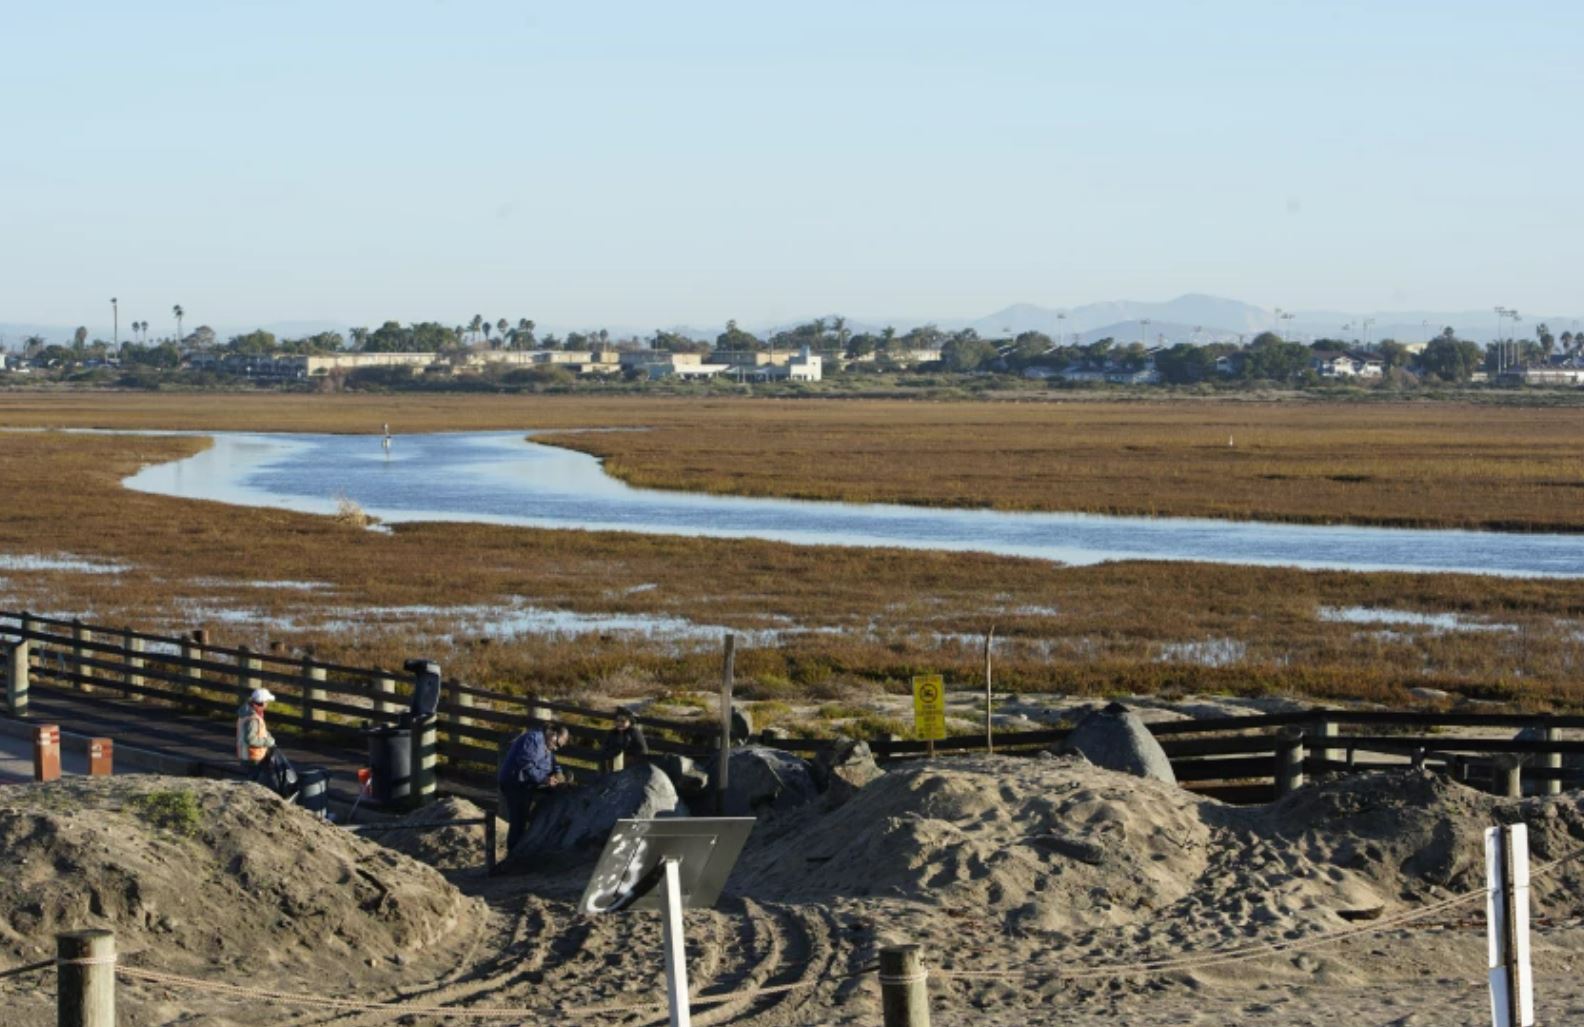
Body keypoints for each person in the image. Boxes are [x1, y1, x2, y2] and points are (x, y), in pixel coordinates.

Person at [497, 723, 569, 853]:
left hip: (526, 784)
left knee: (525, 818)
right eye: (557, 744)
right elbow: (525, 763)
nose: (557, 748)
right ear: (553, 734)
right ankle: (512, 856)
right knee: (518, 821)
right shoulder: (533, 739)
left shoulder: (548, 746)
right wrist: (545, 779)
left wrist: (559, 774)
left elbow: (554, 763)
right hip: (514, 783)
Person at [600, 707, 649, 772]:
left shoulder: (634, 732)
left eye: (623, 721)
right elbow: (605, 747)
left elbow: (642, 750)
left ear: (630, 722)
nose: (619, 723)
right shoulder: (611, 733)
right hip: (613, 763)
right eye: (617, 721)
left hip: (631, 765)